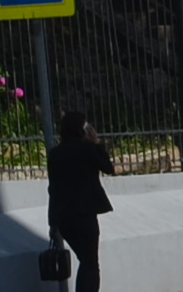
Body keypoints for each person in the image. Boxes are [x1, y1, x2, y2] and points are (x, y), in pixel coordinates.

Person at [46, 111, 114, 292]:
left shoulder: (55, 154)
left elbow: (53, 190)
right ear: (81, 130)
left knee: (85, 261)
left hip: (65, 218)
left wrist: (52, 222)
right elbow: (108, 168)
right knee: (91, 263)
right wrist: (96, 143)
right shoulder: (87, 150)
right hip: (85, 215)